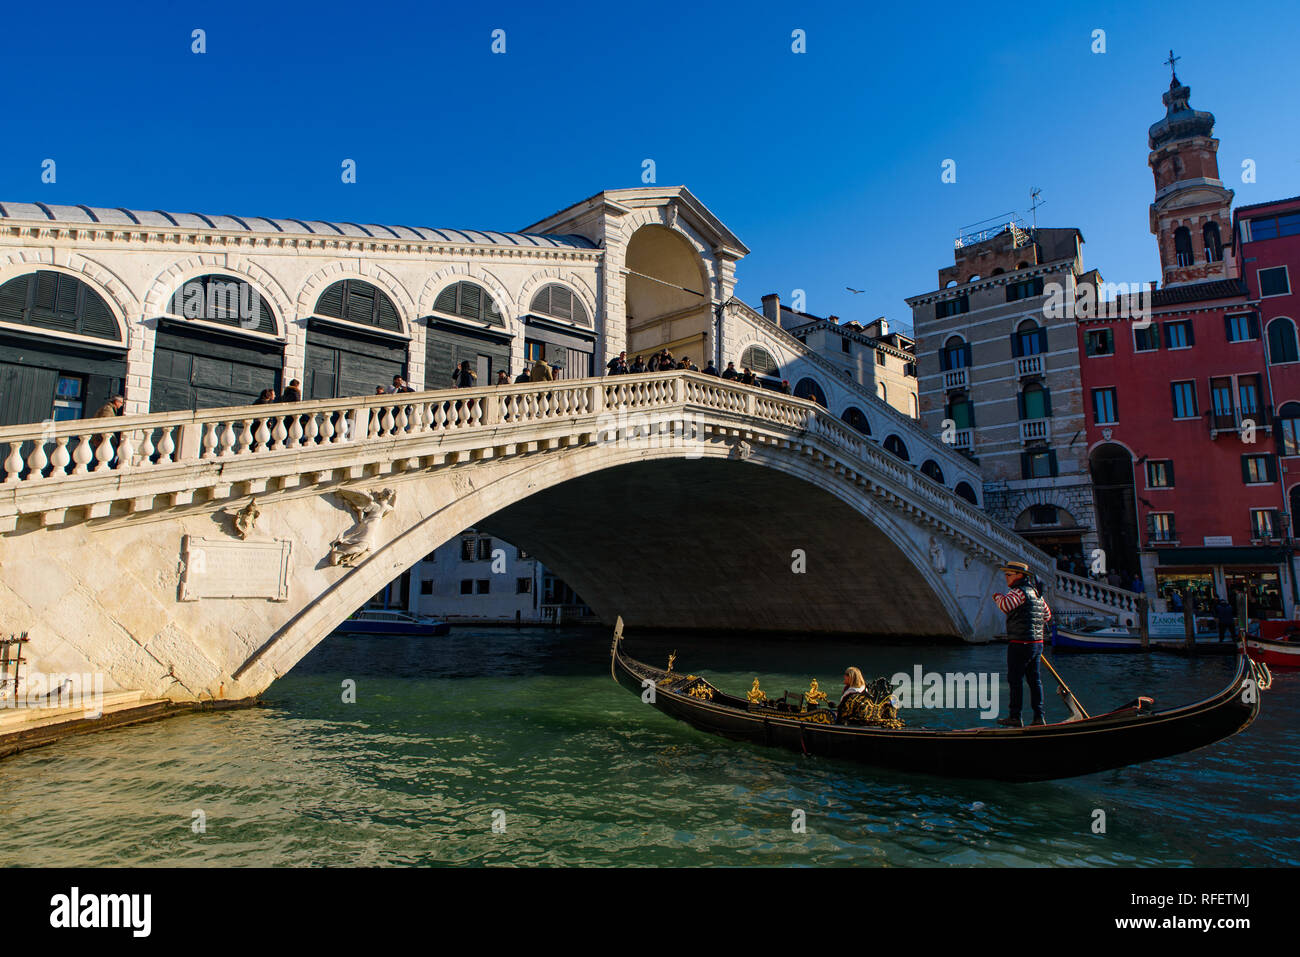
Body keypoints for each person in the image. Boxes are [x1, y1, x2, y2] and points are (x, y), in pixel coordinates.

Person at [993, 560, 1052, 727]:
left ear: (1020, 576)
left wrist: (996, 597)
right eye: (1005, 574)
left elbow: (1005, 605)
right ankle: (1039, 718)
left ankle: (1015, 716)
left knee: (1015, 680)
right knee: (1035, 681)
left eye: (1009, 574)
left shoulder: (1017, 592)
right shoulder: (1036, 593)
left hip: (1020, 643)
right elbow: (1046, 616)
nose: (1006, 577)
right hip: (1036, 644)